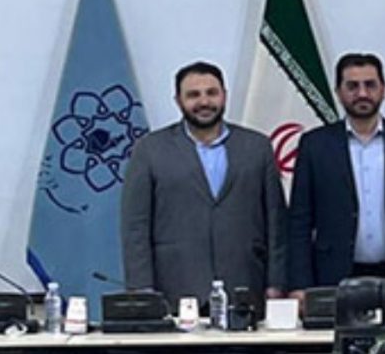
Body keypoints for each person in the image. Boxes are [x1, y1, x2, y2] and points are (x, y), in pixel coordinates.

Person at [121, 61, 287, 316]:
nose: (204, 102)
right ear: (178, 101)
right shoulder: (150, 150)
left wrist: (276, 283)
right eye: (193, 95)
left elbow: (276, 221)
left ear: (224, 96)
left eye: (212, 93)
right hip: (175, 289)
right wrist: (141, 289)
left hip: (245, 287)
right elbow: (136, 226)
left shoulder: (257, 147)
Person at [287, 53, 385, 309]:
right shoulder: (315, 145)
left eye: (370, 85)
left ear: (384, 90)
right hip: (334, 274)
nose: (362, 93)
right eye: (352, 86)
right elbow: (300, 219)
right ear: (338, 92)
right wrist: (299, 284)